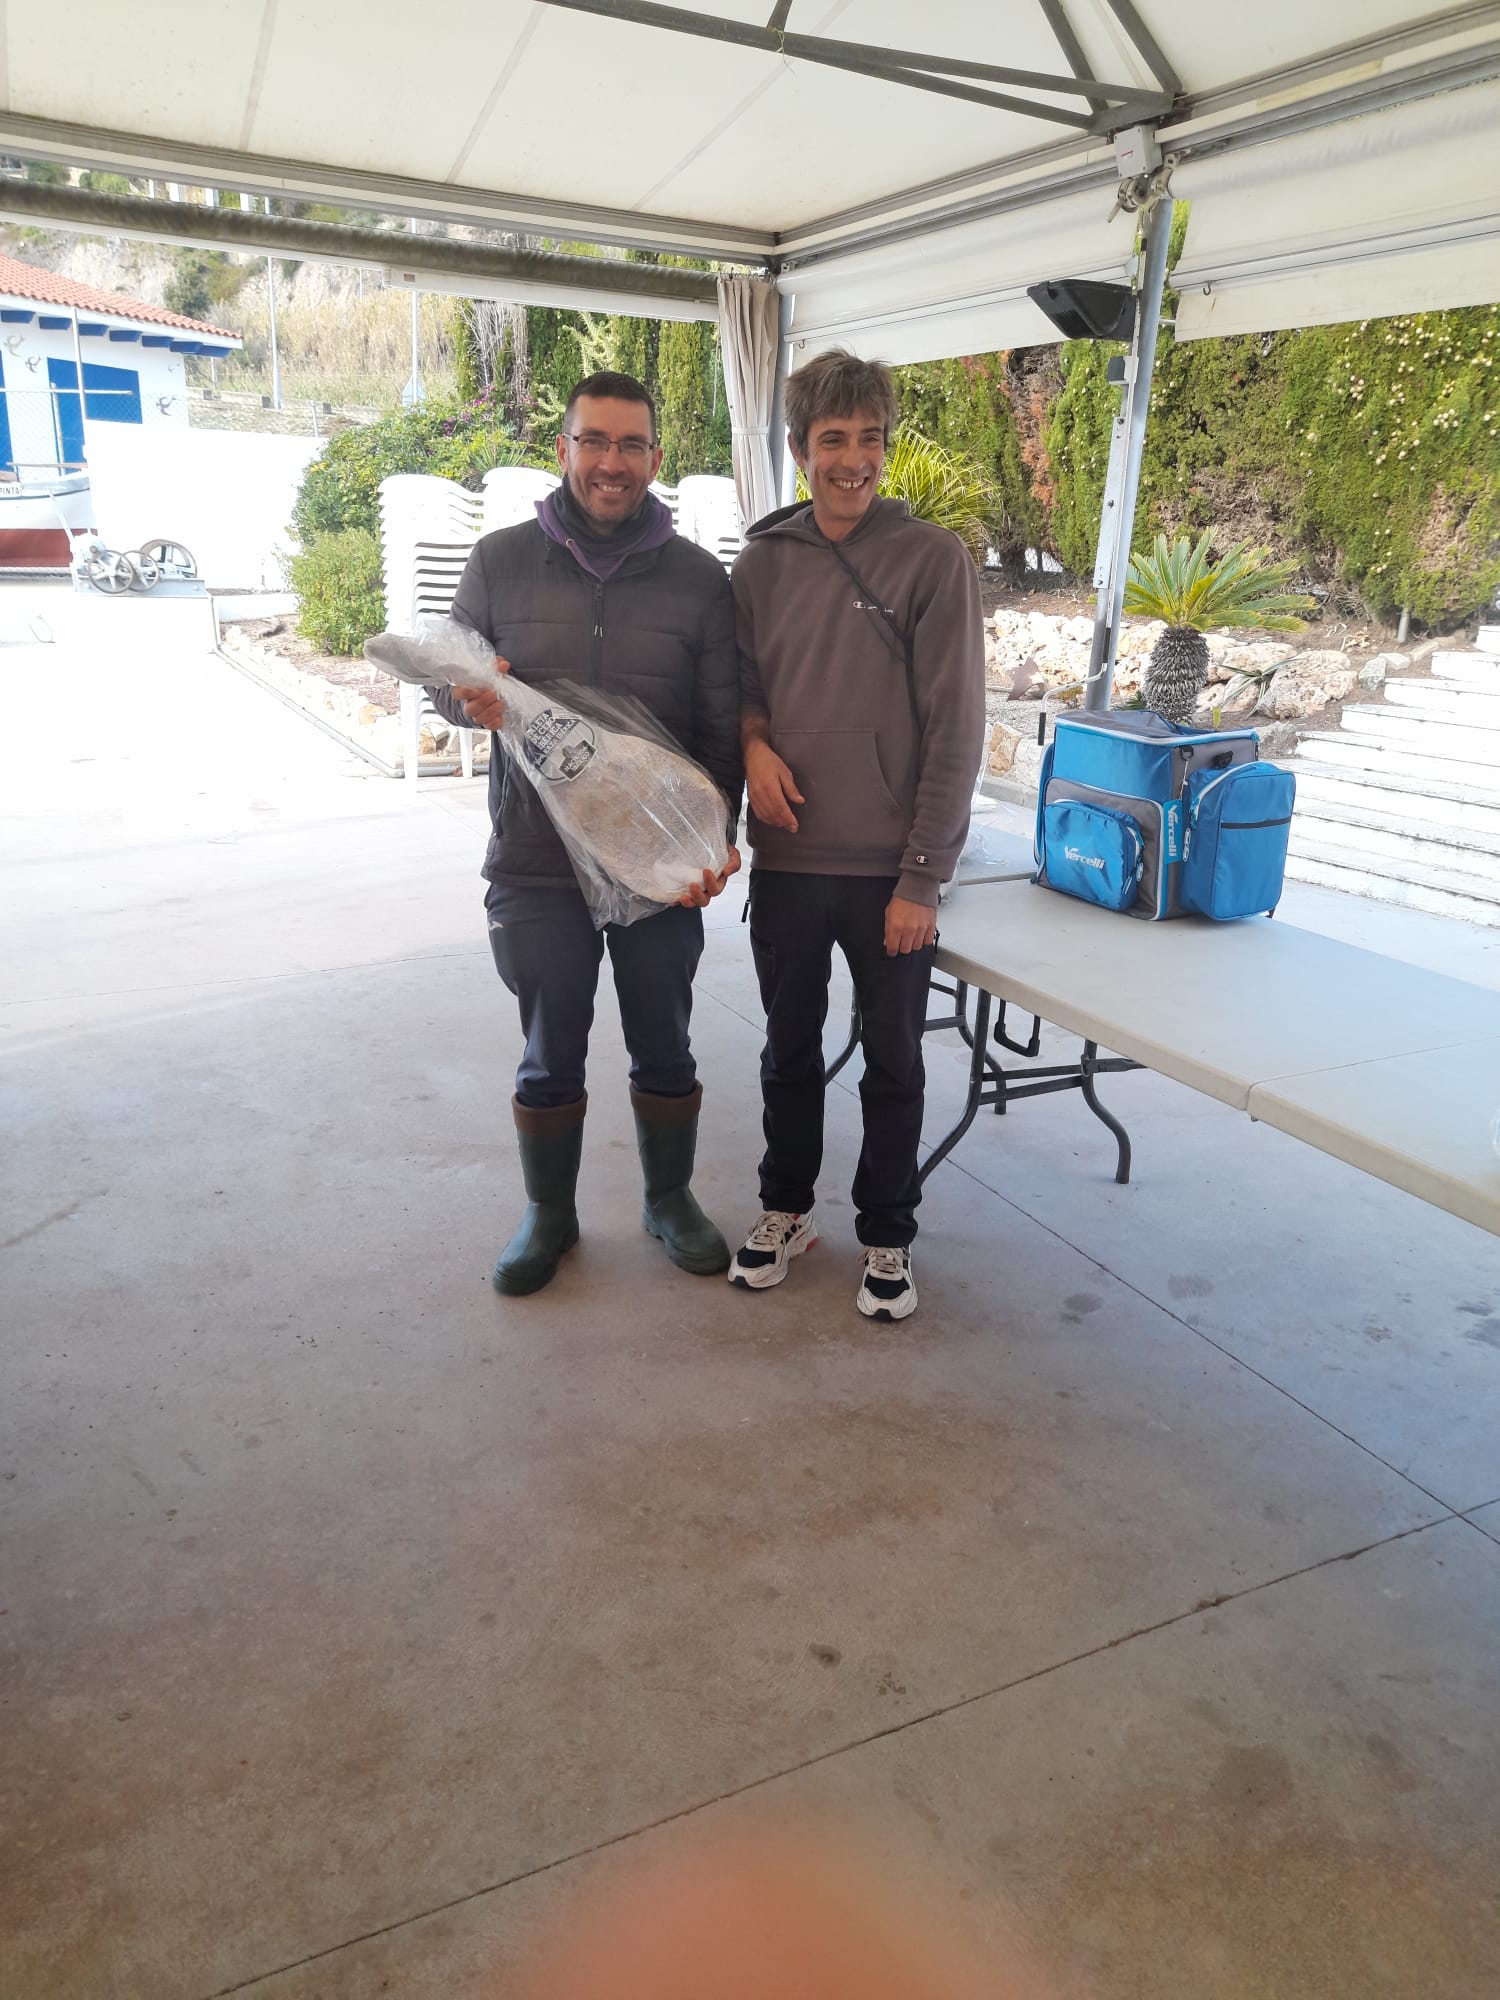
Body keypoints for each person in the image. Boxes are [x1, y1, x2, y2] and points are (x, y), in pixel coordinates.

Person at [430, 371, 742, 1298]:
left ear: (655, 457)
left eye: (632, 445)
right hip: (535, 858)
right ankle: (549, 1213)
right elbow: (444, 673)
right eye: (595, 441)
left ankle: (669, 1198)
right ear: (563, 447)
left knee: (666, 1041)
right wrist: (463, 694)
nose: (613, 462)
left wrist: (717, 842)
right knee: (548, 1048)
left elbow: (720, 728)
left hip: (657, 862)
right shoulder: (500, 560)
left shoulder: (699, 580)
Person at [727, 350, 985, 1322]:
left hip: (889, 875)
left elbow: (957, 725)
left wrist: (923, 876)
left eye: (869, 438)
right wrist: (752, 744)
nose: (853, 459)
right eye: (832, 439)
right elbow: (740, 687)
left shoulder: (932, 559)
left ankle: (888, 1232)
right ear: (800, 449)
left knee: (894, 1063)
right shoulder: (762, 563)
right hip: (789, 861)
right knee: (787, 1051)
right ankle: (787, 1209)